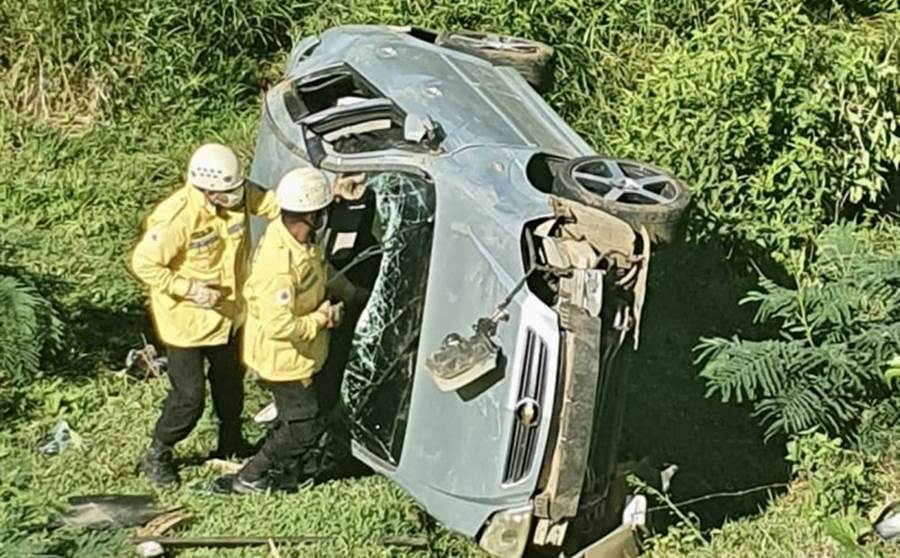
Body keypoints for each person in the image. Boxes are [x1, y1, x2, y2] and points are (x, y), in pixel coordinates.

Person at [130, 142, 279, 486]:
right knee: (189, 398)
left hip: (229, 316)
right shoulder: (177, 217)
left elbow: (272, 204)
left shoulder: (236, 195)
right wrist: (188, 289)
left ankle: (230, 441)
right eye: (227, 193)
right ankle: (158, 452)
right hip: (187, 324)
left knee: (230, 384)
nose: (237, 197)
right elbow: (144, 263)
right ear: (208, 191)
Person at [230, 166, 347, 493]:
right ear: (310, 216)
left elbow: (316, 275)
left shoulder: (300, 237)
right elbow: (279, 324)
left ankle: (286, 464)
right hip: (282, 358)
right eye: (322, 211)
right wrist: (320, 320)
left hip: (302, 353)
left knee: (303, 414)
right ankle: (252, 475)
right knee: (304, 426)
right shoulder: (279, 266)